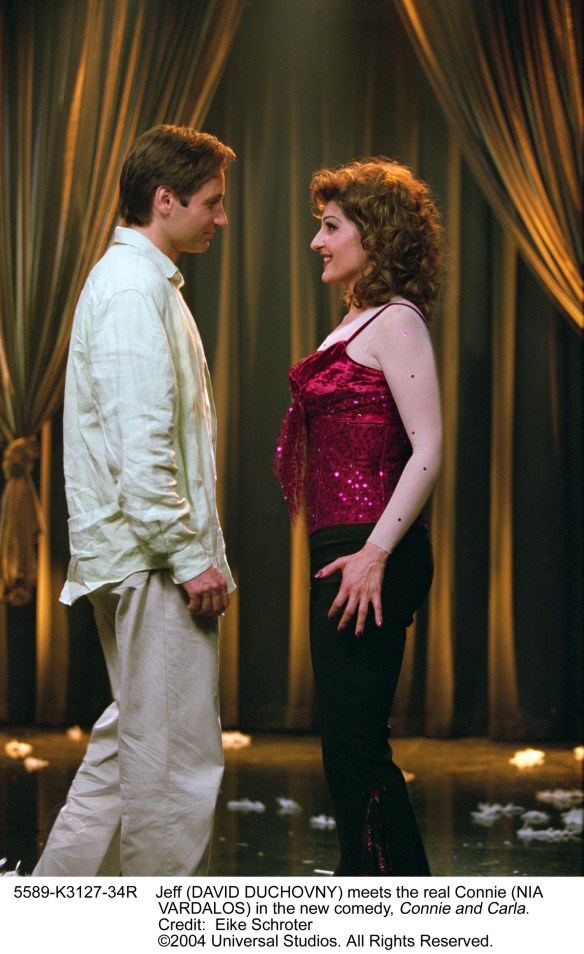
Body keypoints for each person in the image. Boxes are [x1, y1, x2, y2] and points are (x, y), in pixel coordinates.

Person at [33, 125, 236, 877]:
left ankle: (49, 912)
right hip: (150, 559)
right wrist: (188, 556)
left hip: (141, 554)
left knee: (130, 751)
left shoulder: (142, 284)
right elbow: (140, 444)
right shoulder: (130, 288)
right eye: (212, 202)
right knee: (174, 768)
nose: (221, 218)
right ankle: (158, 922)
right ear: (165, 199)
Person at [274, 157, 443, 875]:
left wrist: (375, 553)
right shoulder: (357, 320)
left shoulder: (397, 322)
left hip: (373, 549)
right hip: (348, 548)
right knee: (347, 743)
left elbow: (428, 446)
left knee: (356, 745)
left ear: (374, 235)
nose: (317, 241)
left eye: (331, 226)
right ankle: (370, 887)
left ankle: (390, 903)